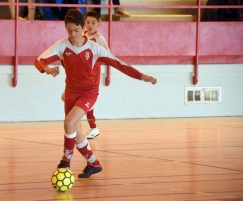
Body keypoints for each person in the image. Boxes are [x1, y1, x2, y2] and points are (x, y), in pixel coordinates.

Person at [34, 9, 157, 178]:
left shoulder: (95, 48)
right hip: (70, 92)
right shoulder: (62, 45)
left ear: (82, 27)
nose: (73, 34)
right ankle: (93, 163)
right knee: (76, 133)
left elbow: (120, 64)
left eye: (76, 30)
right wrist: (47, 69)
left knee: (69, 122)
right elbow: (39, 61)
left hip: (88, 93)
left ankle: (65, 162)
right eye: (69, 31)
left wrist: (142, 76)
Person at [61, 10, 109, 139]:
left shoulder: (99, 39)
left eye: (93, 22)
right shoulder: (80, 36)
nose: (90, 25)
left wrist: (92, 65)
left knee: (86, 99)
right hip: (77, 76)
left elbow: (107, 57)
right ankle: (80, 126)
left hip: (92, 75)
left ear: (99, 23)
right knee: (70, 98)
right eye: (88, 22)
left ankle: (93, 127)